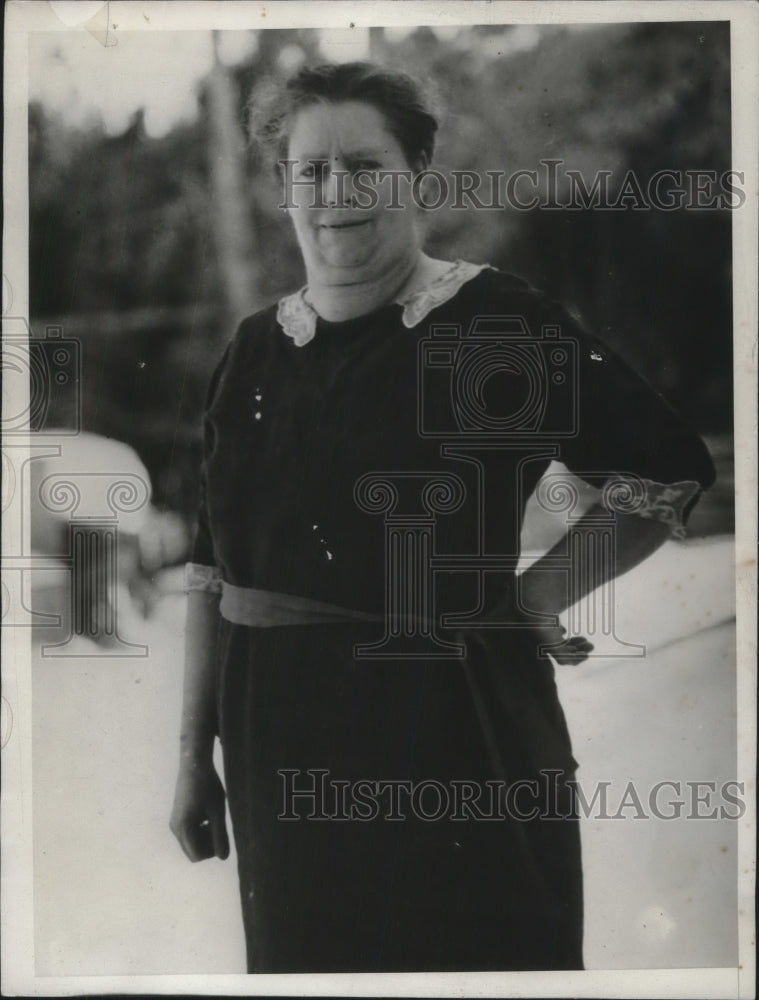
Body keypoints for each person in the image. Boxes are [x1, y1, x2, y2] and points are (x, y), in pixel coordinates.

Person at [170, 61, 716, 973]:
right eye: (310, 170)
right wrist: (193, 753)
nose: (336, 192)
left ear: (416, 176)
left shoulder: (492, 324)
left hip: (460, 742)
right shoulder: (255, 349)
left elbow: (664, 469)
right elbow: (209, 571)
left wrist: (541, 592)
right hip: (281, 752)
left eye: (365, 166)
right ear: (281, 188)